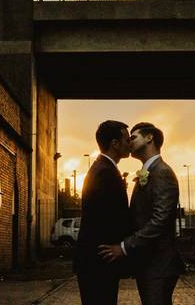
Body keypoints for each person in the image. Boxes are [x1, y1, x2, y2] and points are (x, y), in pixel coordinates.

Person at [98, 122, 183, 305]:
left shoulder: (162, 172)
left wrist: (124, 247)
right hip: (149, 263)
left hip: (160, 265)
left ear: (149, 138)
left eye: (134, 137)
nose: (129, 141)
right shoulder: (148, 171)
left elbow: (159, 221)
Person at [73, 119, 134, 305]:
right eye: (127, 140)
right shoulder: (105, 172)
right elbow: (110, 219)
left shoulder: (103, 168)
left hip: (95, 261)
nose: (130, 144)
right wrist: (123, 247)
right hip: (98, 262)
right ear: (115, 144)